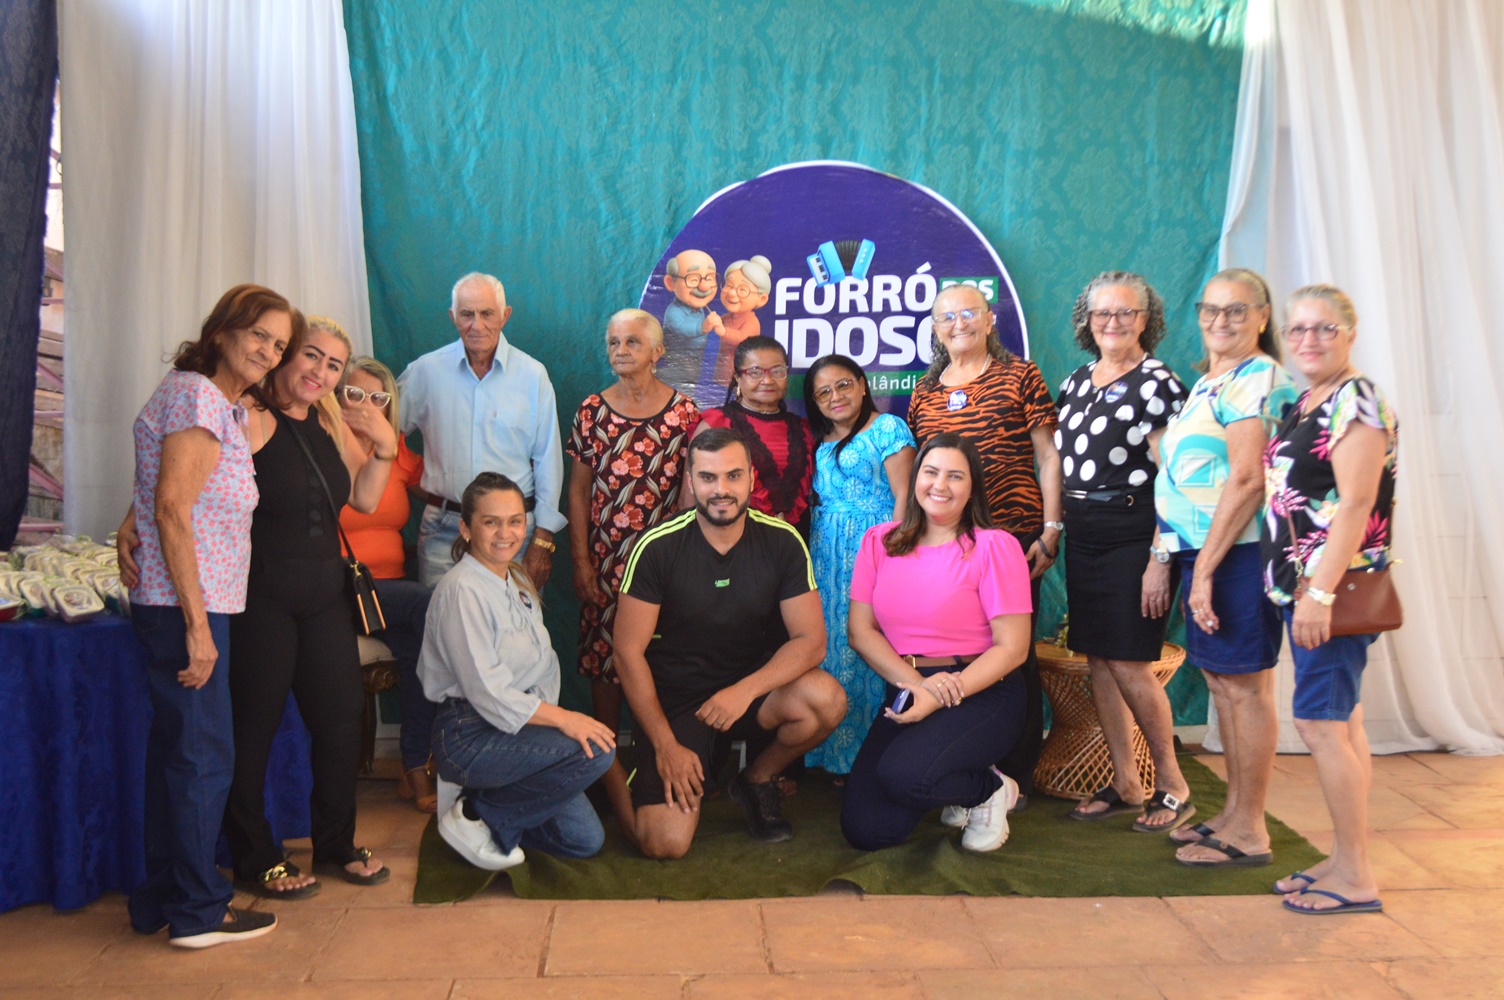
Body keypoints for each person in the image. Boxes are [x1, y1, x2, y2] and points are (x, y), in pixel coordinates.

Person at [116, 284, 294, 948]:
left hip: (185, 601)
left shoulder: (206, 396)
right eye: (259, 335)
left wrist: (125, 523)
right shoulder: (197, 395)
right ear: (223, 331)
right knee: (201, 759)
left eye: (278, 345)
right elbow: (171, 507)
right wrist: (197, 627)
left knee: (180, 756)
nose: (268, 351)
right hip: (186, 606)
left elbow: (161, 492)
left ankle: (163, 899)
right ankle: (198, 911)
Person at [223, 315, 397, 897]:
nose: (320, 372)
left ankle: (336, 845)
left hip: (323, 594)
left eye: (333, 365)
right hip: (261, 595)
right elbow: (190, 478)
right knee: (255, 728)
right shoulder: (246, 415)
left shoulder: (326, 418)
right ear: (284, 355)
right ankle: (253, 855)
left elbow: (367, 497)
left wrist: (387, 445)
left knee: (341, 721)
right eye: (311, 356)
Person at [611, 428, 846, 857]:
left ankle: (755, 780)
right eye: (708, 477)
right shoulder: (657, 548)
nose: (721, 490)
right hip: (680, 703)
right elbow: (627, 653)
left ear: (752, 479)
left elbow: (811, 642)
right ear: (690, 480)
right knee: (664, 844)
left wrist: (745, 690)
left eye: (733, 476)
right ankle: (611, 774)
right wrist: (666, 746)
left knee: (825, 699)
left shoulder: (781, 540)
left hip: (748, 693)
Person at [1157, 269, 1298, 867]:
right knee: (1224, 685)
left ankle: (1249, 832)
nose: (1221, 320)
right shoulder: (1215, 379)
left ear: (1263, 316)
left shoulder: (1258, 376)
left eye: (1237, 310)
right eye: (1211, 310)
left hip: (1236, 553)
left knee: (1243, 689)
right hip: (1207, 550)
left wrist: (1208, 570)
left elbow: (1246, 479)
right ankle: (1234, 812)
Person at [1263, 286, 1398, 914]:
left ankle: (1356, 876)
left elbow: (1355, 503)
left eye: (1323, 329)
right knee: (1343, 721)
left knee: (1320, 724)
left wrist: (1318, 592)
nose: (1308, 340)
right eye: (1297, 330)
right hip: (1308, 589)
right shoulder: (1307, 400)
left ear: (1350, 332)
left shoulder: (1357, 399)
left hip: (1332, 591)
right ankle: (1344, 859)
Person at [840, 433, 1034, 852]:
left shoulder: (994, 546)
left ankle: (988, 790)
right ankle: (949, 781)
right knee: (868, 831)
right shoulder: (880, 541)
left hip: (981, 690)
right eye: (930, 472)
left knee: (904, 775)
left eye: (955, 476)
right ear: (914, 479)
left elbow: (1013, 648)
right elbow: (861, 631)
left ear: (972, 488)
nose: (940, 485)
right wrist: (918, 686)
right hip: (909, 687)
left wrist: (946, 690)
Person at [906, 283, 1062, 806]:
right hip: (946, 545)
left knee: (1012, 655)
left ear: (989, 320)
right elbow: (923, 478)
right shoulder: (924, 392)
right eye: (946, 317)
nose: (958, 324)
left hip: (1013, 541)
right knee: (953, 652)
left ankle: (1017, 773)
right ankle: (967, 762)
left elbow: (1048, 457)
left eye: (969, 313)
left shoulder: (1021, 376)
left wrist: (1051, 528)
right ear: (934, 328)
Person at [421, 473, 618, 870]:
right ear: (466, 527)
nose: (505, 533)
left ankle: (488, 806)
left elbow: (541, 665)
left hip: (518, 729)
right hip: (468, 734)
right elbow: (488, 693)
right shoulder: (463, 590)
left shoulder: (515, 578)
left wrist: (548, 731)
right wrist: (565, 721)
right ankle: (477, 818)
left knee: (584, 840)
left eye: (515, 520)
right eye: (490, 521)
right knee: (597, 750)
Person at [1056, 273, 1195, 831]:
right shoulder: (1076, 381)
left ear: (1146, 319)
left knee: (1131, 662)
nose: (1112, 322)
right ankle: (1125, 782)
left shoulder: (1159, 382)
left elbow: (1177, 478)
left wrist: (1161, 556)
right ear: (1086, 321)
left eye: (1125, 313)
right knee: (1099, 661)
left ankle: (1174, 785)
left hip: (1136, 531)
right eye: (1101, 313)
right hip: (1084, 531)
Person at [565, 309, 699, 762]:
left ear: (658, 352)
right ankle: (602, 766)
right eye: (613, 342)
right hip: (604, 563)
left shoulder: (684, 414)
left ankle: (653, 760)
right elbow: (578, 491)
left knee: (657, 660)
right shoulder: (591, 412)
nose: (621, 351)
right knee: (605, 661)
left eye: (632, 342)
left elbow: (688, 497)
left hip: (662, 565)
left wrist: (681, 564)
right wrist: (581, 561)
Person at [398, 272, 565, 587]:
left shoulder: (532, 375)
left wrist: (542, 539)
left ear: (505, 315)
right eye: (466, 314)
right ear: (453, 317)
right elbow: (383, 432)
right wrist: (408, 476)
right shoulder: (426, 372)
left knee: (515, 632)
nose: (477, 324)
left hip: (514, 531)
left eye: (487, 313)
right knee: (440, 630)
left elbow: (548, 460)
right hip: (444, 527)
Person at [800, 354, 916, 779]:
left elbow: (904, 498)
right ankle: (831, 756)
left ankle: (870, 758)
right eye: (824, 392)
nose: (836, 397)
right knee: (832, 648)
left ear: (863, 385)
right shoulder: (823, 440)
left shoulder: (888, 429)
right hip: (827, 556)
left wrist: (893, 557)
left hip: (875, 549)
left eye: (844, 385)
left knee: (870, 647)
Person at [337, 355, 437, 813]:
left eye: (377, 399)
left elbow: (437, 489)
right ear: (335, 396)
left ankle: (414, 764)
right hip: (338, 589)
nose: (365, 407)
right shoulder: (319, 443)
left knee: (425, 647)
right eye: (354, 394)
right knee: (429, 605)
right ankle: (419, 763)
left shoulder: (392, 446)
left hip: (387, 596)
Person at [694, 336, 816, 530]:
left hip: (794, 539)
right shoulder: (717, 423)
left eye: (777, 371)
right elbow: (692, 497)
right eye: (755, 372)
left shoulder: (802, 429)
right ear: (737, 377)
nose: (767, 380)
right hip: (732, 537)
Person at [658, 248, 720, 393]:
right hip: (676, 361)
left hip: (695, 359)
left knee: (690, 383)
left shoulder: (701, 309)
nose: (704, 286)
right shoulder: (673, 311)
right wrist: (702, 327)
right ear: (670, 282)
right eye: (693, 279)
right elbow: (681, 328)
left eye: (710, 278)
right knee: (677, 384)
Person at [709, 256, 772, 386]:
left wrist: (723, 331)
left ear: (762, 299)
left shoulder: (752, 322)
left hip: (740, 374)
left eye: (743, 289)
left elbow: (743, 339)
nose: (732, 293)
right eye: (729, 285)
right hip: (722, 370)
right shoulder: (727, 317)